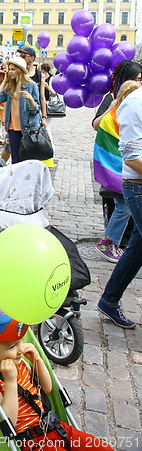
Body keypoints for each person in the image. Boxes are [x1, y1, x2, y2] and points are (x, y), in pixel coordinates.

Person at [0, 307, 114, 450]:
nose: (20, 349)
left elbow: (47, 388)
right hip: (31, 442)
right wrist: (10, 382)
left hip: (57, 428)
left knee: (104, 448)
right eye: (12, 346)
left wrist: (37, 360)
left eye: (20, 341)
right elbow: (9, 423)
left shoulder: (20, 363)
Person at [97, 83, 142, 329]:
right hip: (138, 186)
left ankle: (109, 300)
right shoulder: (135, 103)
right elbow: (132, 156)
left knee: (136, 248)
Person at [92, 61, 142, 263]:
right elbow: (97, 125)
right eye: (136, 79)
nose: (139, 83)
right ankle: (110, 241)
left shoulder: (136, 101)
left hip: (125, 161)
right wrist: (111, 108)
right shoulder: (113, 99)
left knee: (124, 205)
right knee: (121, 205)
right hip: (115, 160)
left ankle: (119, 243)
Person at [0, 57, 41, 164]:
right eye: (9, 69)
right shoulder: (10, 86)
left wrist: (31, 100)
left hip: (27, 128)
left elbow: (36, 110)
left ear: (20, 70)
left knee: (27, 160)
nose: (10, 72)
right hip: (12, 128)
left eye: (13, 69)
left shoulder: (31, 86)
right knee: (15, 159)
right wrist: (5, 80)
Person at [17, 47, 47, 121]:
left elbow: (42, 97)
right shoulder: (18, 74)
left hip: (34, 113)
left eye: (23, 56)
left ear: (32, 58)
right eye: (20, 55)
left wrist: (44, 116)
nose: (21, 58)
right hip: (19, 112)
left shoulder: (40, 75)